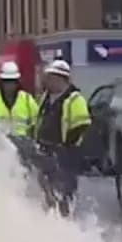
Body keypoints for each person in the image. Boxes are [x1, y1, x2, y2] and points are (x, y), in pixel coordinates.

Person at [34, 60, 91, 206]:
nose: (48, 81)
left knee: (63, 192)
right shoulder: (46, 98)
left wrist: (64, 147)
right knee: (46, 190)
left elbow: (81, 126)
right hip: (46, 151)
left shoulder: (74, 99)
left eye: (51, 78)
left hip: (66, 154)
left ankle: (65, 217)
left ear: (61, 79)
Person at [0, 61, 38, 138]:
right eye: (6, 81)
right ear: (1, 82)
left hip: (23, 144)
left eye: (12, 81)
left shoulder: (27, 99)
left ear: (17, 82)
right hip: (0, 144)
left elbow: (36, 124)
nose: (9, 85)